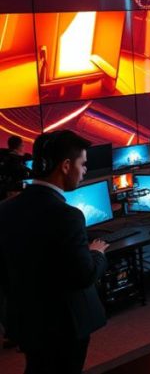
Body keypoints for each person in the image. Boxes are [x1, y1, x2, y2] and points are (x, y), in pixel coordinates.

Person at [0, 130, 109, 373]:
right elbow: (84, 275)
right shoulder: (67, 216)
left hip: (25, 322)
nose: (84, 172)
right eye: (83, 164)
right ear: (66, 166)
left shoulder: (5, 210)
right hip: (65, 326)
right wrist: (97, 253)